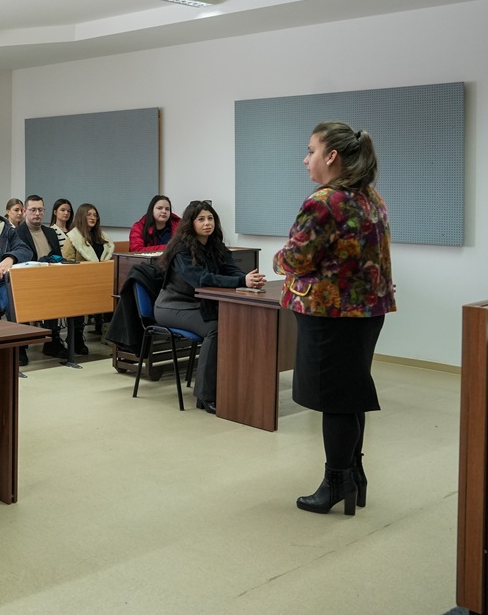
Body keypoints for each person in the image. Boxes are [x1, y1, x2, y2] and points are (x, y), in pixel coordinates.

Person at [274, 121, 394, 517]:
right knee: (351, 394)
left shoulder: (324, 201)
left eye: (310, 151)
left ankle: (336, 482)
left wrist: (277, 258)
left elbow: (295, 257)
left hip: (330, 314)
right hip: (366, 312)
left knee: (334, 402)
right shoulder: (370, 197)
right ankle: (353, 475)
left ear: (332, 156)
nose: (305, 159)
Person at [153, 201, 265, 415]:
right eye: (201, 219)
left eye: (210, 218)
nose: (207, 223)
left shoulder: (215, 245)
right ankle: (205, 396)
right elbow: (201, 280)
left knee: (237, 322)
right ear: (190, 223)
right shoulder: (181, 250)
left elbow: (231, 269)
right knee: (217, 328)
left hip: (198, 304)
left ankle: (233, 386)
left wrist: (248, 279)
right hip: (172, 306)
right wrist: (241, 282)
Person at [14, 194, 69, 357]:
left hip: (51, 279)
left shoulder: (50, 232)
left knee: (67, 293)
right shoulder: (17, 233)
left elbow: (59, 257)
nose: (37, 213)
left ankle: (53, 340)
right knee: (22, 297)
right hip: (26, 281)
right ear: (25, 211)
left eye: (40, 210)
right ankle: (21, 346)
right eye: (33, 210)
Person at [60, 203, 117, 355]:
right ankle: (77, 337)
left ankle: (111, 335)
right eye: (89, 215)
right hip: (80, 283)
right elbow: (67, 262)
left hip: (101, 282)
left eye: (95, 215)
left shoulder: (102, 237)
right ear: (81, 217)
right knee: (78, 304)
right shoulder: (72, 238)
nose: (93, 218)